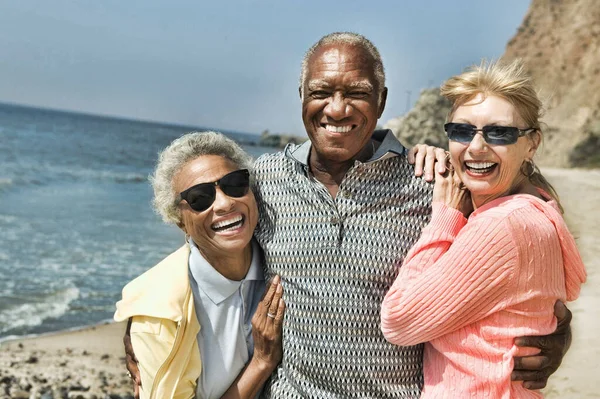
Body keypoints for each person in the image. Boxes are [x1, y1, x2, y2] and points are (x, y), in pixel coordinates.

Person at [125, 33, 573, 398]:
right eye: (321, 92)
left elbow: (524, 249)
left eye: (355, 93)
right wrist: (142, 323)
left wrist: (556, 335)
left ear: (381, 99)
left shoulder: (436, 185)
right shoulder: (261, 182)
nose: (336, 109)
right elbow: (200, 243)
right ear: (302, 97)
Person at [380, 60, 587, 398]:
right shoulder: (541, 206)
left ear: (532, 144)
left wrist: (445, 215)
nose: (476, 147)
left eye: (499, 133)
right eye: (461, 131)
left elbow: (399, 321)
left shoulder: (502, 225)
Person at [114, 132, 285, 399]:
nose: (225, 203)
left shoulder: (285, 258)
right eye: (200, 197)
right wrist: (261, 363)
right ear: (179, 219)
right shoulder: (158, 315)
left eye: (235, 184)